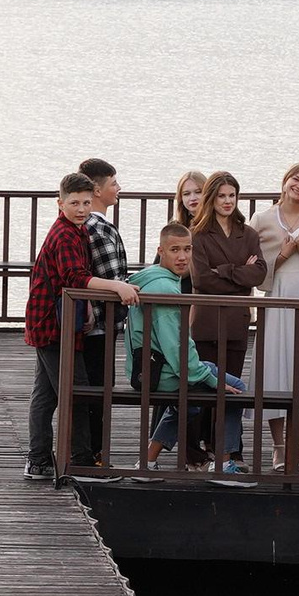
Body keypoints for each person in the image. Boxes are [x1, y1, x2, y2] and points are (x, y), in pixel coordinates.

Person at [24, 171, 140, 480]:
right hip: (53, 325)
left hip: (52, 321)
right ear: (59, 202)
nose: (81, 209)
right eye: (74, 203)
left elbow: (74, 276)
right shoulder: (64, 234)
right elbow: (74, 277)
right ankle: (82, 462)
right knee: (77, 392)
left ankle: (38, 461)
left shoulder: (75, 230)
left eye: (87, 203)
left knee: (47, 394)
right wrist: (117, 287)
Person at [128, 223, 247, 470]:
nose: (182, 257)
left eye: (187, 249)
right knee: (236, 388)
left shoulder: (154, 280)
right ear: (161, 251)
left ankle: (148, 460)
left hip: (149, 370)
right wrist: (210, 379)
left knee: (192, 399)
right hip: (162, 375)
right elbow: (178, 348)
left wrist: (203, 372)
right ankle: (224, 464)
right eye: (174, 250)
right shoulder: (165, 290)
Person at [187, 171, 264, 470]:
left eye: (232, 195)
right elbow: (202, 279)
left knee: (232, 387)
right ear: (212, 198)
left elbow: (259, 273)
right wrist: (238, 272)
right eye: (222, 196)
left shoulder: (249, 233)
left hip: (236, 318)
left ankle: (228, 451)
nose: (228, 201)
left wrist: (225, 271)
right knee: (203, 386)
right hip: (207, 319)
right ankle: (197, 452)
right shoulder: (198, 233)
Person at [252, 163, 299, 472]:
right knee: (276, 367)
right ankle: (279, 447)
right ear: (284, 181)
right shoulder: (262, 219)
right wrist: (281, 255)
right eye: (296, 179)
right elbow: (255, 270)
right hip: (278, 295)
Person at [76, 157, 130, 461]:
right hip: (99, 323)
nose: (119, 188)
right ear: (97, 189)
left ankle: (92, 452)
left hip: (99, 322)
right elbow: (110, 277)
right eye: (113, 183)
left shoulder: (92, 225)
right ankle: (94, 454)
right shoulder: (99, 228)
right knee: (99, 389)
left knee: (97, 387)